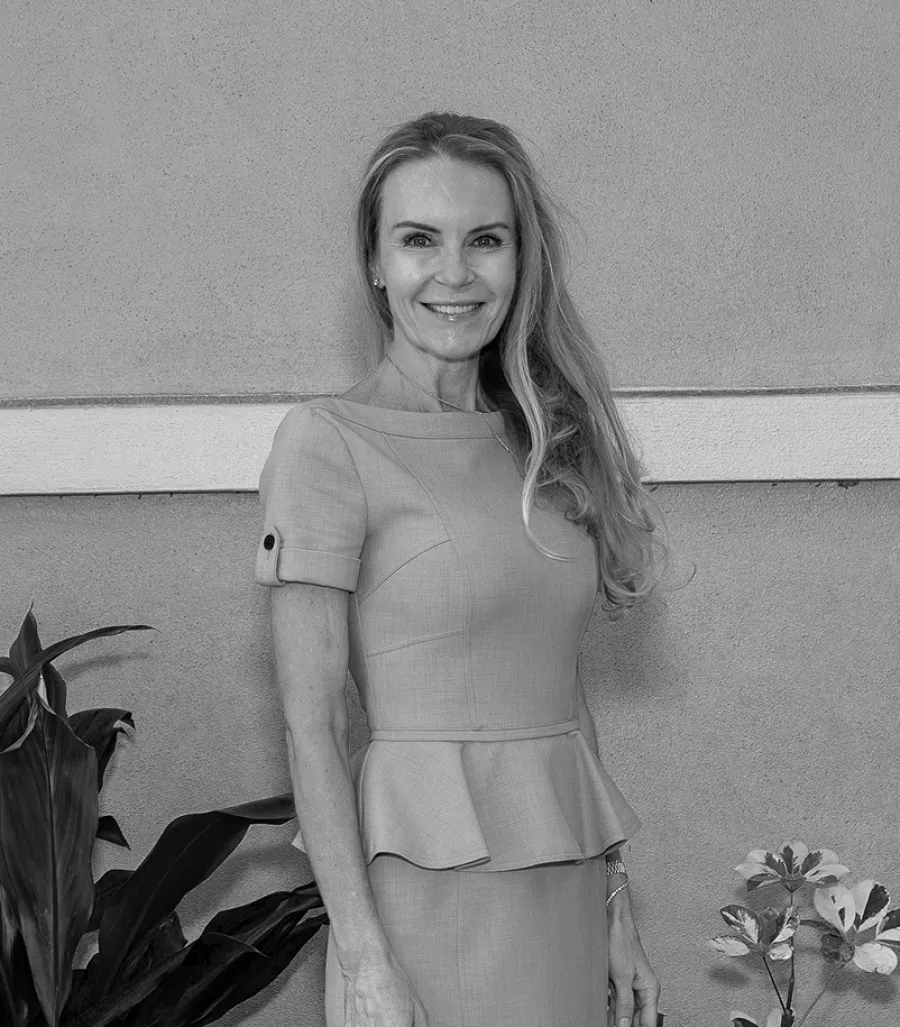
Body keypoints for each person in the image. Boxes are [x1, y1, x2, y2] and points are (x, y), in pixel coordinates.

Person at [256, 111, 663, 1027]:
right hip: (424, 905)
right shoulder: (326, 443)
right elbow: (310, 724)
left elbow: (567, 698)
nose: (453, 272)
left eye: (485, 239)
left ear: (522, 260)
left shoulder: (546, 444)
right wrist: (362, 962)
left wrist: (617, 910)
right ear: (374, 260)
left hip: (563, 893)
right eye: (417, 240)